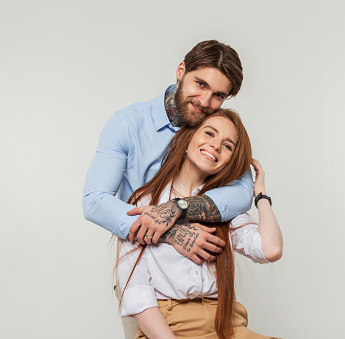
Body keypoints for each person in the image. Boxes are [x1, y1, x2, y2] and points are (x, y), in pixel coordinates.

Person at [83, 40, 253, 264]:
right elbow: (95, 201)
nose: (205, 101)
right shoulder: (128, 124)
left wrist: (177, 208)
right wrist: (171, 233)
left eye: (218, 95)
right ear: (181, 71)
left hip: (202, 276)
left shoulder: (218, 131)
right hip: (142, 270)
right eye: (200, 84)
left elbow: (242, 192)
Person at [116, 110, 283, 339]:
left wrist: (261, 195)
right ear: (188, 139)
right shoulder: (145, 202)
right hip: (169, 326)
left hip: (226, 323)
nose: (215, 145)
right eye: (209, 133)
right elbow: (136, 292)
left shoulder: (225, 208)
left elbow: (270, 249)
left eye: (228, 146)